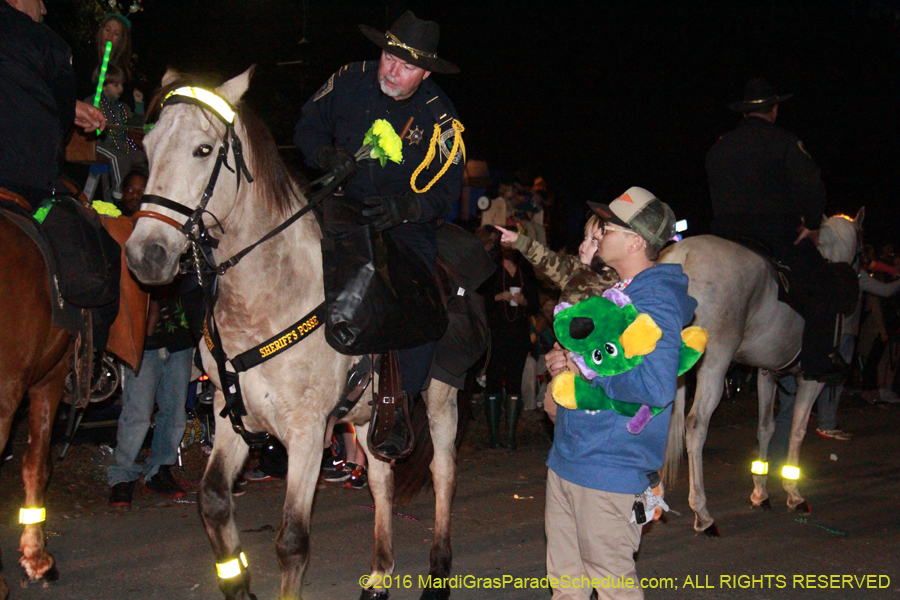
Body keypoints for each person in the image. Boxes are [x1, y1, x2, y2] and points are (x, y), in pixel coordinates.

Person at [293, 11, 464, 446]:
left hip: (401, 222)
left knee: (417, 294)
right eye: (389, 56)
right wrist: (325, 154)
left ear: (425, 73)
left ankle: (400, 401)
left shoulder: (441, 121)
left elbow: (447, 192)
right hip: (337, 201)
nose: (392, 70)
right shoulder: (349, 78)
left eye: (406, 66)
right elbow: (307, 126)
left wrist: (406, 207)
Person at [543, 187, 696, 599]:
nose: (600, 233)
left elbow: (655, 386)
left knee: (613, 589)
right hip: (569, 461)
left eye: (609, 227)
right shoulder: (611, 295)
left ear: (635, 242)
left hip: (608, 470)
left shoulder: (656, 301)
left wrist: (590, 368)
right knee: (568, 589)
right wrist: (562, 368)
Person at [706, 77, 845, 383]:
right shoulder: (784, 141)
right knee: (825, 285)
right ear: (774, 110)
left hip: (725, 234)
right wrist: (810, 225)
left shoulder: (719, 148)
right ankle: (816, 361)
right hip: (774, 233)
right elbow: (813, 186)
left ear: (744, 112)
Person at [108, 275, 204, 507]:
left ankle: (159, 470)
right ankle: (122, 476)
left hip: (180, 338)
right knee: (138, 412)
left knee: (174, 411)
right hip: (145, 343)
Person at [0, 0, 106, 208]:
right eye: (39, 1)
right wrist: (63, 108)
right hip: (22, 177)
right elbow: (61, 122)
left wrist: (68, 105)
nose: (44, 9)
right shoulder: (46, 41)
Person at [477, 226, 540, 450]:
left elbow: (535, 303)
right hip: (495, 334)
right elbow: (478, 298)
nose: (509, 247)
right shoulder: (490, 267)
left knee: (514, 382)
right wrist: (497, 297)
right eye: (506, 242)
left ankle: (511, 436)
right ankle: (494, 436)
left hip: (518, 335)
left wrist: (523, 301)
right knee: (493, 381)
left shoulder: (526, 270)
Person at [88, 65, 145, 198]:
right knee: (119, 158)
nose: (120, 88)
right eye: (115, 85)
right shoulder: (93, 102)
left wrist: (138, 103)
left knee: (141, 157)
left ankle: (142, 194)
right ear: (104, 85)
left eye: (121, 85)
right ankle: (119, 194)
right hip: (100, 144)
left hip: (120, 145)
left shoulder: (122, 107)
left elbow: (135, 125)